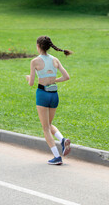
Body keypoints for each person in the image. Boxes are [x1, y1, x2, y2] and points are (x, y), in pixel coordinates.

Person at [26, 36, 72, 165]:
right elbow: (66, 77)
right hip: (54, 95)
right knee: (49, 123)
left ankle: (57, 157)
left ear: (38, 46)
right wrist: (54, 80)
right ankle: (62, 140)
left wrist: (28, 78)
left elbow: (31, 83)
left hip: (42, 94)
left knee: (45, 127)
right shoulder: (55, 60)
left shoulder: (35, 61)